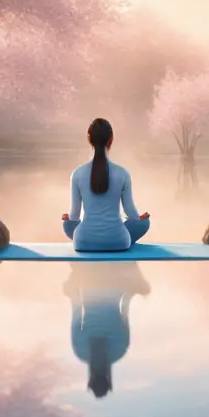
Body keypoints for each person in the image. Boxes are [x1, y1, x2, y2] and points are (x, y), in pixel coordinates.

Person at [61, 118, 151, 251]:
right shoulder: (123, 173)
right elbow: (130, 213)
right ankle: (109, 239)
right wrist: (139, 219)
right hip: (118, 241)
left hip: (83, 241)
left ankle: (91, 238)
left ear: (89, 139)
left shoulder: (77, 174)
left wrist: (68, 220)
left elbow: (74, 215)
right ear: (111, 139)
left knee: (67, 225)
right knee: (144, 223)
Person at [64, 262, 152, 399]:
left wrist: (131, 290)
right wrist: (72, 291)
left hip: (114, 288)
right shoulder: (81, 350)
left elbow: (124, 312)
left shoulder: (119, 351)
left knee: (144, 288)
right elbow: (76, 312)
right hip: (90, 288)